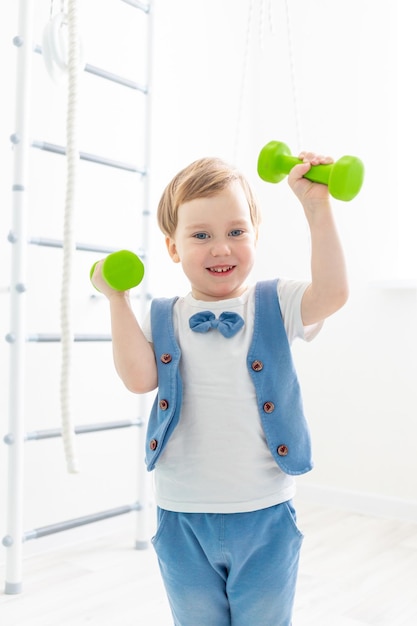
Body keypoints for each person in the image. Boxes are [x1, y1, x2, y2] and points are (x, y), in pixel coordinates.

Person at [91, 150, 349, 626]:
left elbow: (332, 293)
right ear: (172, 247)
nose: (221, 247)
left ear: (254, 234)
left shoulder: (277, 301)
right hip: (181, 514)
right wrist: (117, 300)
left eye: (235, 232)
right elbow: (138, 378)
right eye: (201, 235)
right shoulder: (163, 316)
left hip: (264, 511)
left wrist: (317, 206)